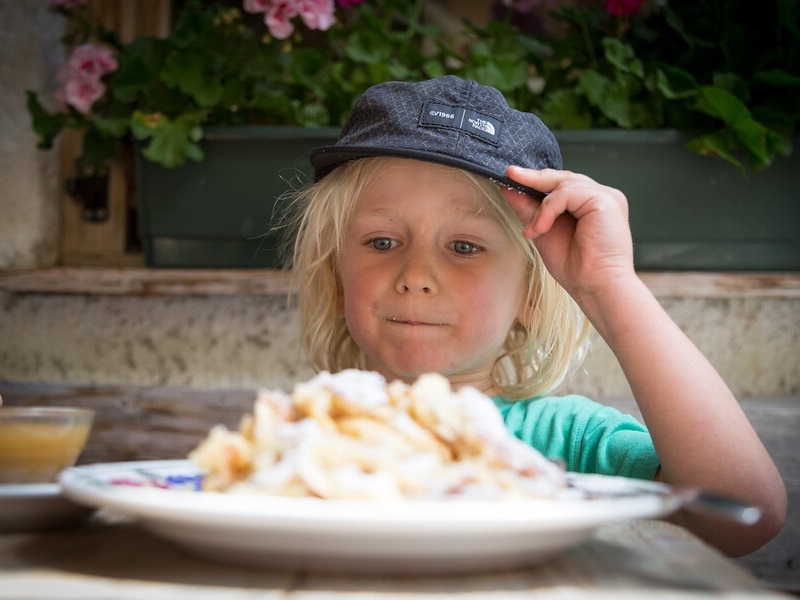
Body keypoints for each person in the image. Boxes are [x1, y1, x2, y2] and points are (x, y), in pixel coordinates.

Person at [283, 75, 786, 556]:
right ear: (336, 271)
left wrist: (609, 283)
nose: (416, 274)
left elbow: (743, 514)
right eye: (382, 242)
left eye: (464, 246)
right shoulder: (302, 437)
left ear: (531, 294)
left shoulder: (570, 443)